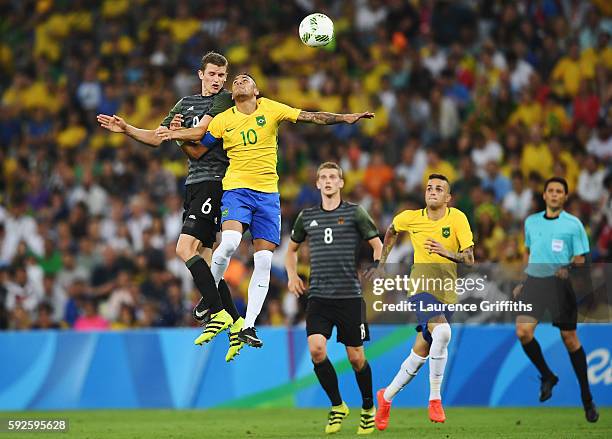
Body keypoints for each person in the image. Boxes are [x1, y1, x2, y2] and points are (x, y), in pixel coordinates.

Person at [160, 73, 374, 348]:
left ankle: (247, 326)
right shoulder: (224, 119)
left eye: (245, 79)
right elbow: (199, 150)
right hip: (236, 191)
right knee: (230, 242)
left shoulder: (271, 108)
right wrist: (175, 136)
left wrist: (344, 118)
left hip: (268, 197)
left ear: (256, 90)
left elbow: (311, 116)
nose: (238, 81)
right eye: (235, 80)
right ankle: (210, 298)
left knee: (262, 261)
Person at [97, 52, 244, 362]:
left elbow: (199, 138)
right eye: (213, 74)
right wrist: (127, 129)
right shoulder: (185, 102)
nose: (218, 80)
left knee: (184, 247)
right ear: (201, 74)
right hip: (193, 186)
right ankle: (237, 324)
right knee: (206, 261)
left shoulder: (223, 103)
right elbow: (155, 137)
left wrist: (175, 135)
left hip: (214, 182)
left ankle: (217, 313)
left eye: (222, 75)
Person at [285, 162, 382, 435]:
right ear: (317, 184)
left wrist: (376, 267)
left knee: (356, 358)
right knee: (316, 350)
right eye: (323, 177)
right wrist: (292, 276)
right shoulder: (307, 217)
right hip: (318, 296)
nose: (328, 181)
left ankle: (367, 408)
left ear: (341, 183)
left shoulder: (355, 213)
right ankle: (337, 405)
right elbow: (290, 251)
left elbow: (377, 245)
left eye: (333, 177)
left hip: (349, 296)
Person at [374, 174, 474, 429]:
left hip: (447, 292)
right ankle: (435, 399)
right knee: (442, 331)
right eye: (429, 188)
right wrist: (382, 264)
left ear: (448, 198)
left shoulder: (458, 218)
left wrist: (446, 252)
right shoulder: (411, 217)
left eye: (439, 189)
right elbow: (392, 230)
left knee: (422, 351)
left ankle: (385, 398)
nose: (432, 191)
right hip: (420, 289)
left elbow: (470, 258)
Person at [514, 177, 599, 422]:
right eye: (550, 190)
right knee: (523, 332)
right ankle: (547, 376)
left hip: (560, 285)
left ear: (564, 197)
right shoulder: (531, 222)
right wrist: (521, 281)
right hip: (535, 282)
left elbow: (582, 258)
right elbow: (528, 253)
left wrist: (569, 268)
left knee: (569, 339)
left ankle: (587, 399)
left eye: (559, 191)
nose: (554, 194)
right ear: (544, 195)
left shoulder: (573, 225)